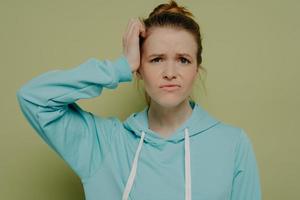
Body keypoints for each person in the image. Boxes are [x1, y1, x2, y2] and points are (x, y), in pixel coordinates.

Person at [16, 0, 261, 199]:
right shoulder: (103, 145)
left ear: (197, 69)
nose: (170, 72)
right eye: (156, 59)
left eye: (183, 59)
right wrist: (120, 67)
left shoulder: (233, 145)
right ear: (139, 68)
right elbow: (33, 97)